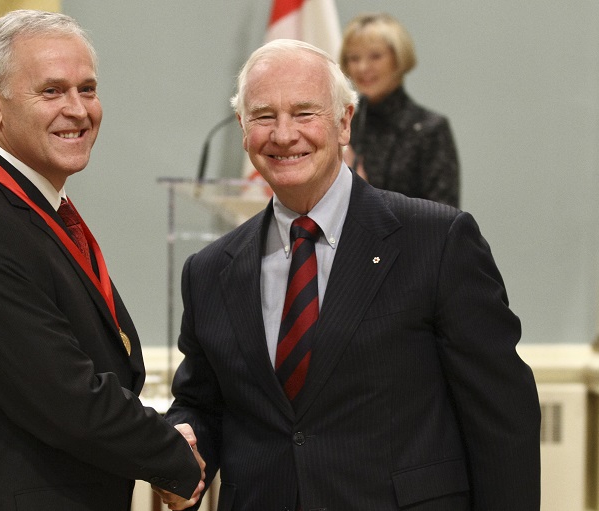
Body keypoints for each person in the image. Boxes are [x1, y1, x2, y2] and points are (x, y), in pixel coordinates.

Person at [164, 39, 540, 510]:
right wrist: (182, 451)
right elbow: (202, 404)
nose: (283, 135)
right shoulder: (209, 272)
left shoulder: (437, 241)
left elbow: (503, 416)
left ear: (344, 122)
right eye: (263, 116)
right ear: (242, 129)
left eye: (304, 113)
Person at [0, 10, 204, 511]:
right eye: (51, 91)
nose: (77, 109)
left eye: (87, 89)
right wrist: (174, 460)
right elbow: (66, 399)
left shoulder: (30, 210)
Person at [340, 12, 460, 207]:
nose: (362, 67)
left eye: (375, 56)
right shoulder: (344, 125)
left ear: (398, 58)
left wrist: (362, 189)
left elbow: (444, 221)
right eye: (354, 58)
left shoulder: (429, 130)